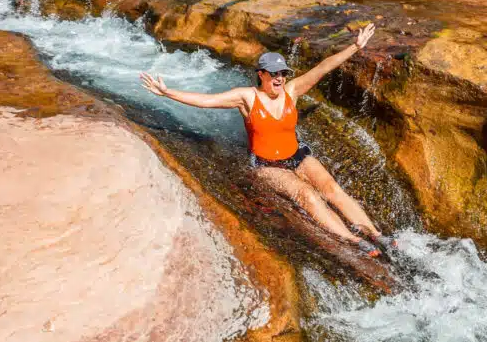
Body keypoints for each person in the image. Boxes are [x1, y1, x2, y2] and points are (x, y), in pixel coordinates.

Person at [139, 23, 393, 258]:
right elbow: (207, 101)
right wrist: (167, 92)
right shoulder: (247, 97)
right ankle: (352, 239)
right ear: (261, 74)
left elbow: (323, 68)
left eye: (282, 72)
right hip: (267, 165)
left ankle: (375, 234)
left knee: (330, 187)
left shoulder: (291, 91)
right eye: (274, 73)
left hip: (297, 155)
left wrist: (355, 47)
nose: (279, 78)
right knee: (306, 194)